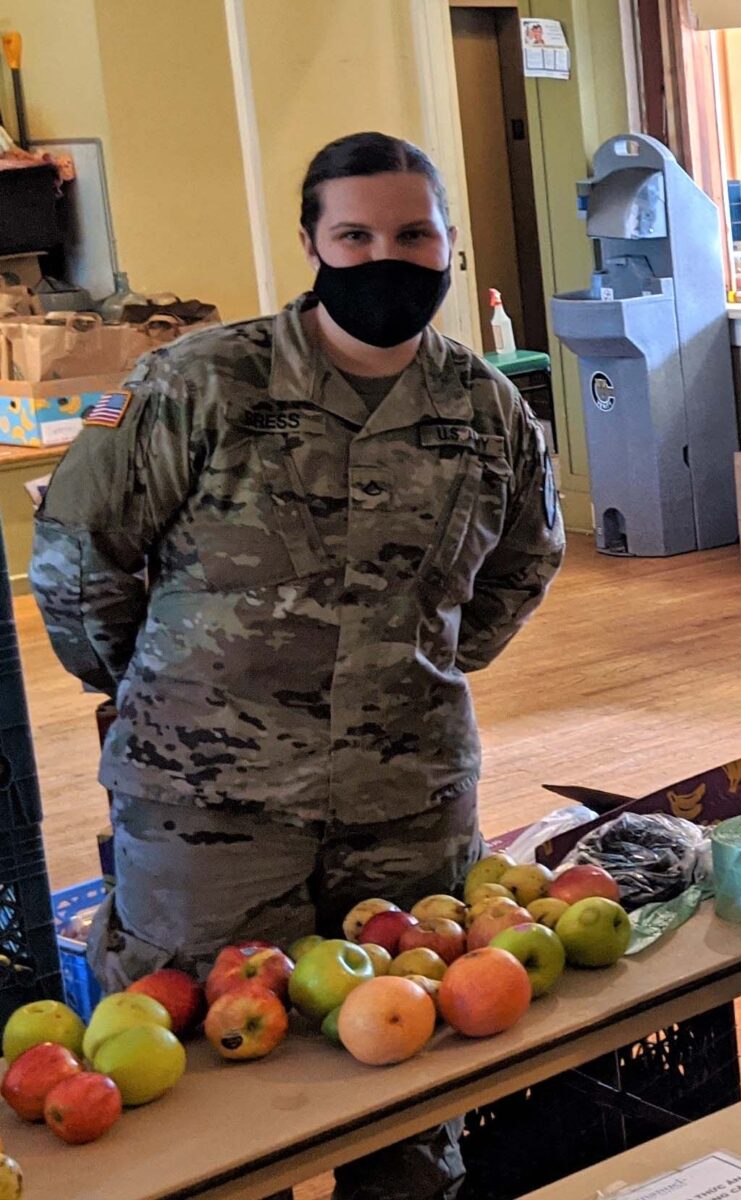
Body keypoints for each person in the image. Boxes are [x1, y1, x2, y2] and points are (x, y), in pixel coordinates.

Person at [31, 132, 564, 1199]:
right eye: (355, 235)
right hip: (208, 810)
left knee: (407, 1085)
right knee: (207, 1102)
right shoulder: (200, 385)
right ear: (313, 243)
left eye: (414, 235)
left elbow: (520, 566)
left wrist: (419, 668)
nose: (386, 259)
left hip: (405, 800)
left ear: (451, 245)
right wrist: (160, 687)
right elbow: (77, 557)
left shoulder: (486, 412)